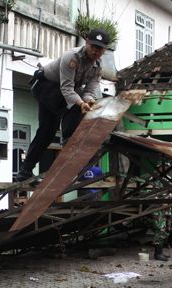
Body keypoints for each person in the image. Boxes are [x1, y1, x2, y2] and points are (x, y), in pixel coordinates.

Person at [15, 29, 109, 181]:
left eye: (100, 49)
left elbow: (90, 90)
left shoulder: (98, 67)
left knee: (76, 112)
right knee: (48, 131)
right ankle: (26, 171)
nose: (95, 51)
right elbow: (66, 89)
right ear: (86, 43)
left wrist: (89, 100)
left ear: (105, 50)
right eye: (93, 46)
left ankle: (72, 153)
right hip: (48, 87)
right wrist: (81, 103)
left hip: (67, 92)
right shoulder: (71, 57)